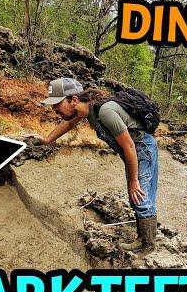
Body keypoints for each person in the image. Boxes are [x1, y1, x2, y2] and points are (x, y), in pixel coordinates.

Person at [34, 77, 159, 251]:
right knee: (136, 196)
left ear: (74, 100)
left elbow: (130, 147)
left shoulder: (105, 112)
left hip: (141, 149)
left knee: (140, 194)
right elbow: (68, 123)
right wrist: (47, 140)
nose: (54, 110)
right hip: (134, 150)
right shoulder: (87, 111)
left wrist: (133, 181)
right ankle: (143, 239)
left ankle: (148, 246)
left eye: (57, 105)